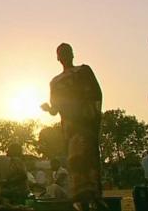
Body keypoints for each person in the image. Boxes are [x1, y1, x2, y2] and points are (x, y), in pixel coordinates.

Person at [41, 43, 104, 210]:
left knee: (88, 160)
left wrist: (92, 116)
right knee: (75, 162)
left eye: (67, 52)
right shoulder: (55, 82)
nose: (64, 55)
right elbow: (55, 110)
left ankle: (94, 198)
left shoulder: (83, 71)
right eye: (61, 53)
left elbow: (96, 94)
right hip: (70, 130)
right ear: (57, 58)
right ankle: (81, 201)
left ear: (73, 54)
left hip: (86, 125)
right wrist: (48, 108)